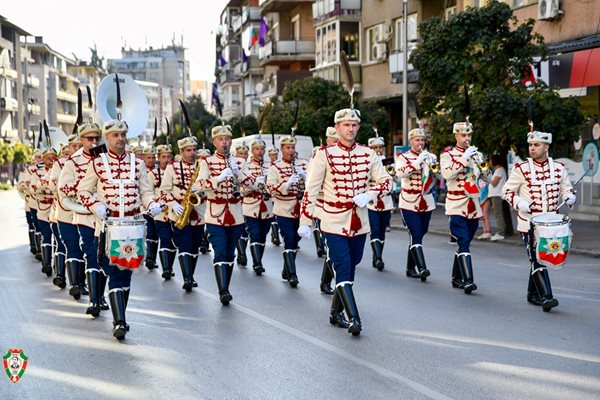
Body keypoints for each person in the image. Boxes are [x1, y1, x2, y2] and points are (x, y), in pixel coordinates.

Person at [298, 108, 391, 336]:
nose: (350, 129)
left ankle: (334, 313)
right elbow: (310, 190)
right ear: (337, 128)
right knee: (342, 266)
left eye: (354, 125)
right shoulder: (324, 154)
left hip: (359, 219)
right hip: (333, 219)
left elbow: (387, 181)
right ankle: (355, 319)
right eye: (345, 125)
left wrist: (371, 194)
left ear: (358, 128)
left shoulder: (369, 154)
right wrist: (305, 220)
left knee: (353, 263)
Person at [78, 119, 161, 340]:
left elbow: (146, 192)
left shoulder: (138, 163)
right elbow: (83, 192)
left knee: (126, 275)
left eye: (123, 134)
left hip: (132, 227)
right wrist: (97, 206)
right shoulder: (97, 163)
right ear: (107, 137)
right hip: (108, 228)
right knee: (114, 272)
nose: (121, 139)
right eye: (115, 135)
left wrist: (151, 204)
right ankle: (119, 322)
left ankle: (120, 315)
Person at [503, 130, 575, 311]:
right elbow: (507, 191)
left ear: (546, 147)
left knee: (539, 258)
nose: (532, 148)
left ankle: (532, 293)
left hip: (551, 224)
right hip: (529, 222)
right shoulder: (521, 169)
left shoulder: (559, 168)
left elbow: (567, 189)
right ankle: (546, 297)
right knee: (536, 258)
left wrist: (569, 197)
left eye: (536, 145)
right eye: (530, 145)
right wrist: (520, 202)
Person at [196, 125, 248, 305]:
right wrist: (217, 178)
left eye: (227, 139)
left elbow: (250, 184)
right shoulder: (207, 162)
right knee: (219, 250)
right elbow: (200, 184)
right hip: (215, 214)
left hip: (235, 214)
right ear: (214, 142)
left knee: (230, 253)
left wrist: (238, 173)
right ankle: (223, 290)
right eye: (221, 139)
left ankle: (226, 284)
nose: (224, 142)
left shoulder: (239, 162)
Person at [440, 121, 490, 294]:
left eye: (469, 135)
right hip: (456, 204)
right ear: (456, 136)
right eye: (463, 135)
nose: (467, 138)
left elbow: (486, 177)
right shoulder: (448, 155)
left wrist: (482, 167)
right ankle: (468, 280)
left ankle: (456, 277)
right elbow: (447, 174)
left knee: (466, 241)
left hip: (473, 205)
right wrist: (464, 158)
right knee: (462, 241)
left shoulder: (476, 154)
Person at [160, 137, 205, 292]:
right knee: (184, 243)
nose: (192, 153)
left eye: (194, 150)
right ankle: (187, 278)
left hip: (198, 213)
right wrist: (173, 204)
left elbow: (210, 186)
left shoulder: (202, 166)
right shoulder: (172, 168)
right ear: (181, 152)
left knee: (195, 246)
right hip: (179, 212)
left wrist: (202, 189)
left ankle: (190, 274)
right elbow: (163, 191)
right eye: (188, 150)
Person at [395, 128, 436, 281]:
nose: (420, 143)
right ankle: (422, 268)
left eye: (422, 140)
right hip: (409, 201)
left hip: (426, 201)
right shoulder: (403, 157)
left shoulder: (430, 156)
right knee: (416, 232)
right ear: (411, 141)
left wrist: (432, 165)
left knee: (420, 232)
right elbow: (400, 173)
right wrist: (418, 162)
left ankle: (410, 268)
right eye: (417, 140)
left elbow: (439, 175)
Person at [267, 135, 308, 288]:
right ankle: (292, 274)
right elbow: (270, 188)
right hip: (283, 209)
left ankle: (286, 268)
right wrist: (286, 183)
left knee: (296, 239)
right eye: (287, 148)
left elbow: (315, 183)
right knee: (289, 238)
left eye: (292, 148)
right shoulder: (275, 167)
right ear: (282, 149)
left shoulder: (303, 164)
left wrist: (306, 176)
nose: (291, 151)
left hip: (300, 208)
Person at [240, 137, 273, 275]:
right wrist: (253, 185)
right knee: (255, 233)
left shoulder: (269, 166)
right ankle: (257, 263)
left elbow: (274, 187)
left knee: (263, 235)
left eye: (262, 149)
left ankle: (258, 258)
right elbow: (241, 190)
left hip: (266, 206)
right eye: (257, 149)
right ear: (252, 151)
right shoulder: (245, 166)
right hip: (250, 205)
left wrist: (269, 182)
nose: (260, 152)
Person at [312, 127, 338, 295]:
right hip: (323, 207)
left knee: (333, 248)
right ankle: (328, 282)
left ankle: (325, 282)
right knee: (332, 247)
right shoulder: (320, 156)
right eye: (334, 141)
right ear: (328, 140)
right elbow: (312, 183)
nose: (336, 144)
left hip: (339, 209)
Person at [366, 136, 394, 271]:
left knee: (382, 230)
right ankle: (378, 258)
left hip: (386, 201)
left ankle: (377, 256)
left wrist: (386, 165)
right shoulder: (366, 162)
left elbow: (393, 177)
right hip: (372, 200)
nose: (378, 150)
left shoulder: (388, 161)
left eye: (380, 147)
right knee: (375, 229)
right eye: (375, 148)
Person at [30, 146, 58, 277]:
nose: (51, 159)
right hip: (43, 209)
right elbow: (33, 188)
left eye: (53, 156)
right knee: (46, 235)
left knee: (58, 240)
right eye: (48, 157)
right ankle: (47, 264)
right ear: (43, 158)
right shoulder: (37, 172)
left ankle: (59, 269)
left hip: (57, 210)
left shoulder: (60, 170)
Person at [151, 144, 176, 280]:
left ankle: (169, 267)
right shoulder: (152, 174)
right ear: (158, 158)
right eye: (163, 157)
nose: (166, 159)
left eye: (168, 156)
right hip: (160, 212)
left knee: (173, 240)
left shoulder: (176, 171)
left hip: (175, 210)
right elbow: (147, 192)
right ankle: (166, 268)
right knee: (165, 238)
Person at [488, 154, 514, 241]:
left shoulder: (499, 170)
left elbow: (494, 183)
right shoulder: (498, 170)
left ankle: (501, 232)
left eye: (490, 160)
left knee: (498, 214)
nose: (489, 162)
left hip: (497, 194)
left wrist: (487, 177)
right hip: (496, 194)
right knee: (499, 213)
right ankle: (503, 230)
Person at [142, 146, 160, 270]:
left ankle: (152, 259)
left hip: (157, 207)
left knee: (155, 233)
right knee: (149, 232)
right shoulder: (140, 169)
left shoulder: (159, 171)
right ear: (144, 158)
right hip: (143, 207)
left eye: (153, 157)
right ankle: (148, 257)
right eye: (149, 157)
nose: (151, 160)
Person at [267, 146, 282, 247]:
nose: (274, 156)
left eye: (276, 154)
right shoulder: (265, 165)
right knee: (273, 217)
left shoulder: (280, 165)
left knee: (277, 216)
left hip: (278, 194)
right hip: (269, 194)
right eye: (272, 155)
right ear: (269, 155)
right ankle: (275, 235)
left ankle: (276, 234)